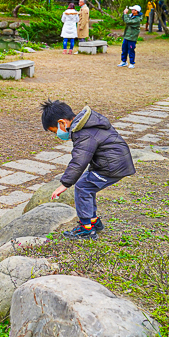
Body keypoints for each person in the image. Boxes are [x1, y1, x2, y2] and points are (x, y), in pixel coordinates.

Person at [41, 100, 135, 240]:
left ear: (62, 123)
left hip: (112, 167)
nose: (57, 135)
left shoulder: (83, 132)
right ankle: (93, 221)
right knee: (86, 184)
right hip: (113, 163)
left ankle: (86, 229)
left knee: (83, 187)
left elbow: (79, 161)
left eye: (55, 131)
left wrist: (64, 184)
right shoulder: (88, 124)